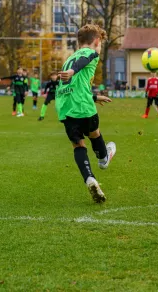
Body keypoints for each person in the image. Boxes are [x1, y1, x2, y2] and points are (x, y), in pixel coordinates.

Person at [56, 24, 116, 204]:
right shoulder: (89, 54)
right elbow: (83, 61)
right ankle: (104, 158)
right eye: (100, 45)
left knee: (78, 145)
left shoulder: (69, 58)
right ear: (97, 41)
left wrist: (95, 96)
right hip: (82, 107)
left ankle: (90, 179)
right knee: (94, 133)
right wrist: (73, 71)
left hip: (66, 109)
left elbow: (75, 83)